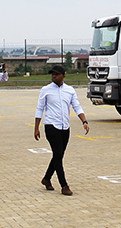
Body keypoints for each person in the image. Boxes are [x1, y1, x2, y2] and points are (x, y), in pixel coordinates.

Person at [34, 65, 89, 195]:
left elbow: (77, 106)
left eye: (56, 74)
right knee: (58, 155)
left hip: (65, 127)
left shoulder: (69, 90)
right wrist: (36, 128)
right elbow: (39, 109)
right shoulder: (46, 90)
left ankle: (46, 179)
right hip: (51, 126)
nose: (53, 76)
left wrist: (84, 121)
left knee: (58, 155)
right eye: (52, 74)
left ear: (63, 76)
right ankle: (64, 185)